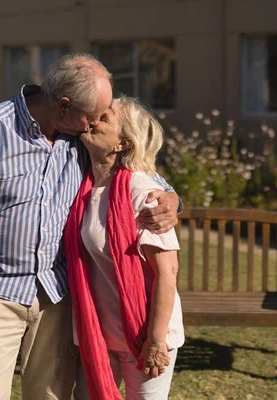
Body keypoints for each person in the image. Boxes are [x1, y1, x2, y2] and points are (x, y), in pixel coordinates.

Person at [0, 53, 181, 400]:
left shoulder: (79, 135)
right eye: (93, 117)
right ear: (63, 106)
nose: (95, 125)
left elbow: (135, 169)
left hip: (57, 294)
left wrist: (171, 198)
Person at [65, 97, 184, 400]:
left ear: (123, 144)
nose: (91, 120)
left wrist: (156, 341)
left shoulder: (142, 193)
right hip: (100, 332)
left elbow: (167, 272)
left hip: (145, 335)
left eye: (103, 118)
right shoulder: (86, 186)